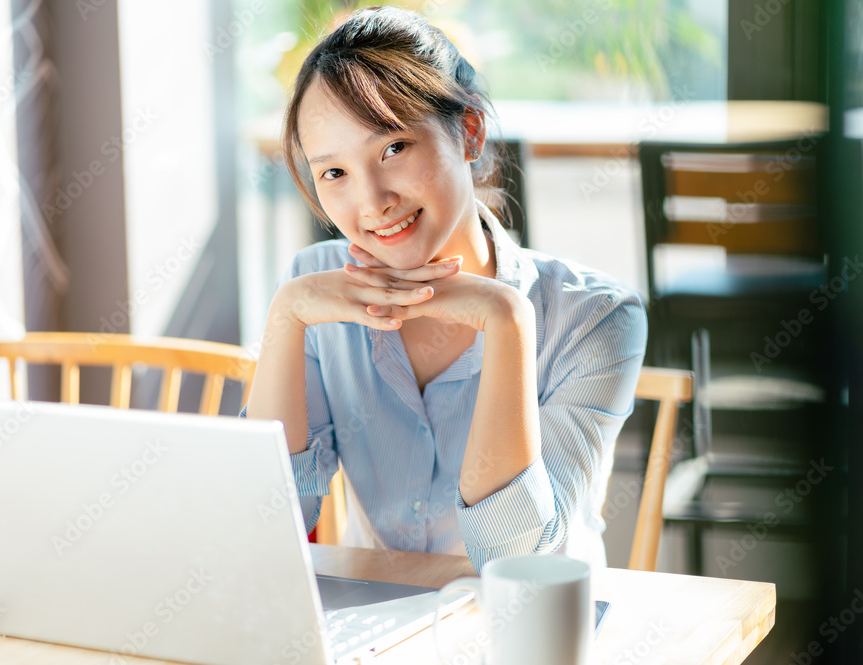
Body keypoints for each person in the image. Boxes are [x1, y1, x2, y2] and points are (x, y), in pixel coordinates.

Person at [244, 5, 646, 573]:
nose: (372, 202)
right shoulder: (315, 295)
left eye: (393, 149)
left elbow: (516, 562)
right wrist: (286, 316)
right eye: (334, 172)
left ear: (470, 130)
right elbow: (262, 524)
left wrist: (505, 321)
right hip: (382, 629)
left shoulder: (596, 317)